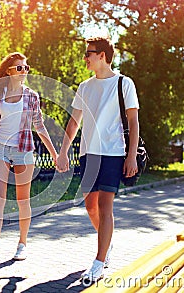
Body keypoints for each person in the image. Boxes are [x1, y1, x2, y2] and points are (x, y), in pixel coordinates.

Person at [56, 37, 140, 282]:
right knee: (90, 205)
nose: (85, 58)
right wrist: (63, 152)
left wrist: (131, 155)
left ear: (102, 55)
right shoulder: (85, 87)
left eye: (88, 54)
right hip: (88, 154)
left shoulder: (124, 84)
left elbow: (133, 122)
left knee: (105, 206)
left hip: (113, 152)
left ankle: (99, 261)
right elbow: (74, 122)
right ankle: (107, 243)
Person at [0, 52, 58, 266]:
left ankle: (22, 244)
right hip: (0, 149)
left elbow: (39, 126)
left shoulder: (31, 96)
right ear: (8, 71)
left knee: (23, 200)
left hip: (23, 151)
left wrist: (55, 154)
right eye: (19, 67)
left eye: (26, 68)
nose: (24, 71)